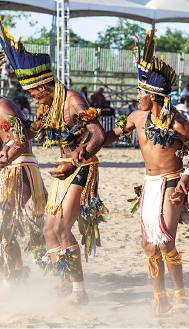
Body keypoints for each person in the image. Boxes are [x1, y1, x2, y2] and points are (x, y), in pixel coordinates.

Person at [87, 30, 189, 314]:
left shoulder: (178, 124)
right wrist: (91, 140)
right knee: (148, 244)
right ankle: (161, 298)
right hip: (149, 183)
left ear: (154, 95)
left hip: (171, 182)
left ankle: (180, 295)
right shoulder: (135, 117)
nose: (138, 96)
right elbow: (110, 136)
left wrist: (185, 183)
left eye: (141, 92)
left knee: (166, 240)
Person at [0, 22, 107, 304]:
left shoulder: (73, 100)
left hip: (83, 168)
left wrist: (76, 159)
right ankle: (63, 287)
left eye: (34, 93)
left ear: (45, 86)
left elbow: (97, 135)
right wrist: (12, 144)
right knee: (49, 230)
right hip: (62, 169)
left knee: (61, 229)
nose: (33, 98)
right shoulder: (46, 106)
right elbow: (29, 131)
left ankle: (78, 292)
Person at [0, 95, 47, 287]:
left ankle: (15, 277)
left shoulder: (2, 106)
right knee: (5, 226)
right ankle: (14, 275)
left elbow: (22, 142)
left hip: (19, 168)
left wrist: (5, 157)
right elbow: (28, 133)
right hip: (12, 166)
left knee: (5, 224)